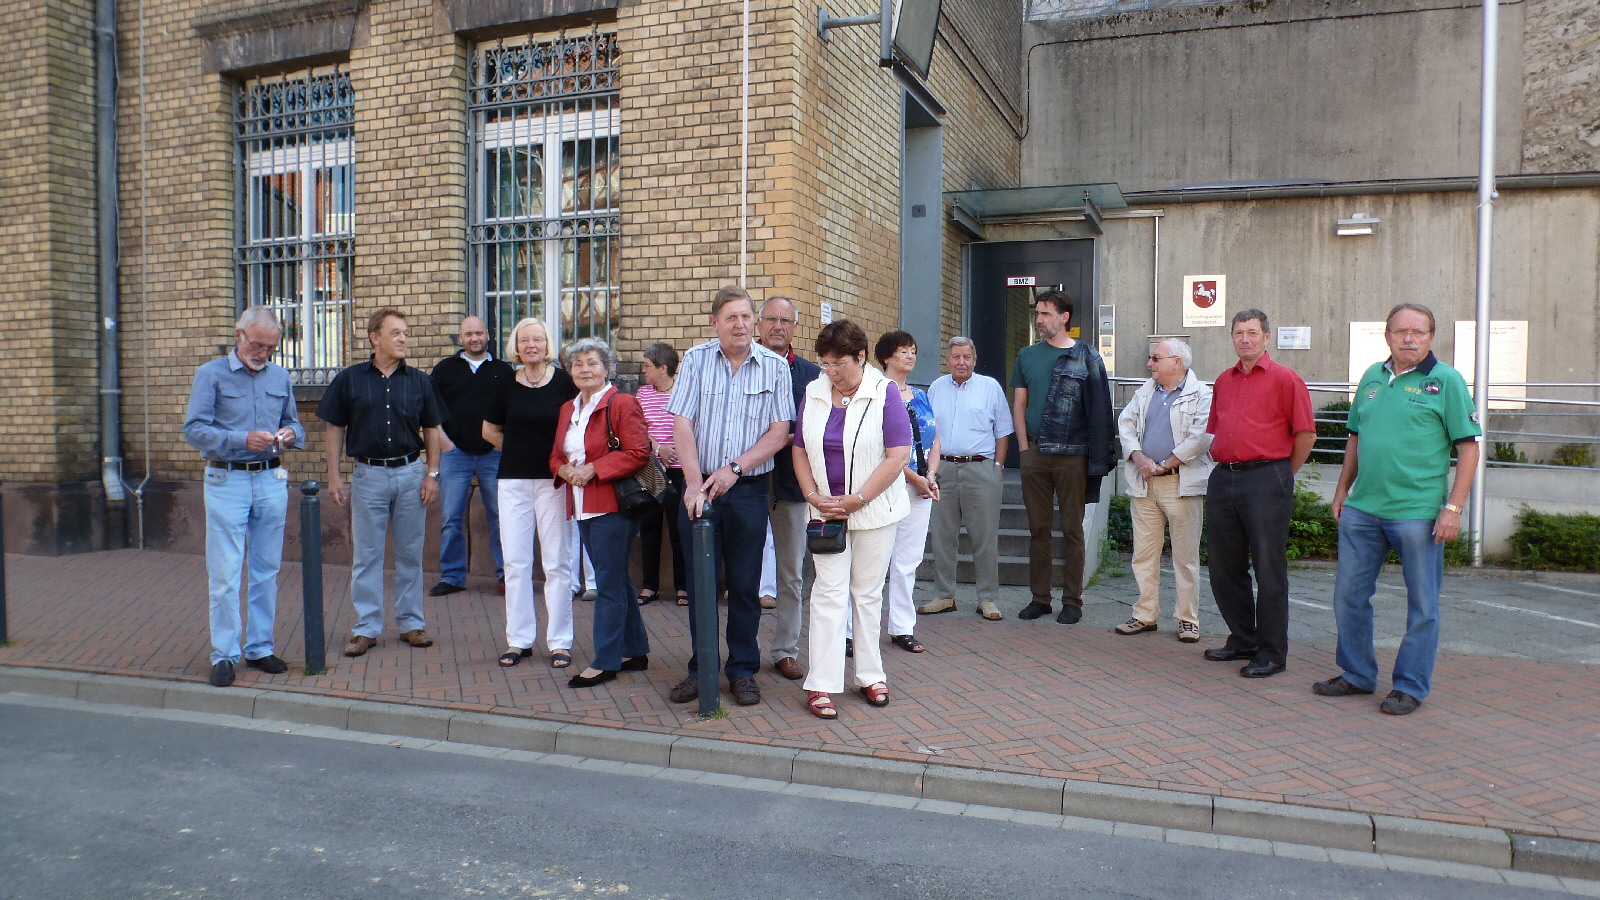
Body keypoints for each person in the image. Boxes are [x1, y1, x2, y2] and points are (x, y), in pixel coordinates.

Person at [1313, 304, 1481, 715]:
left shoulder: (1447, 381)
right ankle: (1356, 675)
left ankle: (1409, 686)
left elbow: (1469, 448)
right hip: (1362, 510)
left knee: (1422, 605)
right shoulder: (1372, 377)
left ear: (1431, 337)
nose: (1409, 338)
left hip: (1417, 513)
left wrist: (1454, 508)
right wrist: (1341, 491)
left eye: (1418, 331)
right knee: (1348, 597)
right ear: (1387, 335)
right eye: (1401, 331)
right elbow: (1355, 437)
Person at [666, 285, 795, 707]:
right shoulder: (696, 360)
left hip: (748, 491)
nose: (739, 324)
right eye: (730, 318)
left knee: (744, 585)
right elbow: (681, 425)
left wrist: (734, 469)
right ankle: (701, 668)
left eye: (745, 317)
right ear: (715, 322)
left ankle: (742, 671)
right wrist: (691, 484)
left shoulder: (775, 366)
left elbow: (780, 433)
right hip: (698, 487)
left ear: (753, 321)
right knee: (701, 584)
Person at [792, 320, 911, 718]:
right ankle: (821, 684)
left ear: (861, 357)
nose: (830, 372)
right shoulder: (813, 391)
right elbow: (799, 450)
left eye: (838, 363)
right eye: (824, 363)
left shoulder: (885, 393)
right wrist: (813, 495)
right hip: (826, 511)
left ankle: (869, 675)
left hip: (874, 511)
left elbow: (898, 455)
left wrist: (859, 499)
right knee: (827, 593)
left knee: (866, 593)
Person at [182, 306, 304, 687]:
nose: (263, 353)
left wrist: (288, 435)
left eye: (271, 347)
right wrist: (239, 439)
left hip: (270, 480)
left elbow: (295, 423)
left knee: (267, 570)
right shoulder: (210, 374)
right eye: (257, 344)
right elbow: (193, 430)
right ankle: (224, 654)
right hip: (227, 480)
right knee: (225, 573)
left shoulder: (281, 376)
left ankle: (260, 648)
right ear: (239, 336)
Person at [318, 308, 447, 658]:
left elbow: (432, 429)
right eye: (396, 333)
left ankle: (410, 624)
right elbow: (334, 427)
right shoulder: (350, 379)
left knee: (409, 554)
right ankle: (366, 628)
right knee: (367, 555)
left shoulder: (420, 381)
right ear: (375, 338)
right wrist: (333, 475)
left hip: (410, 474)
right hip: (368, 475)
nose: (403, 338)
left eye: (405, 332)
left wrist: (432, 474)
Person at [1204, 309, 1316, 678]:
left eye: (1252, 333)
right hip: (1224, 478)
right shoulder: (1223, 380)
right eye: (1239, 333)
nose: (1245, 339)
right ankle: (1243, 638)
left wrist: (1282, 473)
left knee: (1269, 568)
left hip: (1267, 477)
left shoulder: (1286, 379)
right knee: (1224, 567)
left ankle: (1271, 651)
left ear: (1267, 336)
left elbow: (1306, 435)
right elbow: (1216, 430)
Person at [552, 339, 653, 689]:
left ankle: (605, 660)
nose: (584, 369)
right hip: (580, 505)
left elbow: (639, 452)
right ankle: (636, 650)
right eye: (577, 364)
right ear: (569, 371)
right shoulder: (568, 408)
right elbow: (555, 456)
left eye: (591, 362)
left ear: (606, 367)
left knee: (607, 584)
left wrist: (594, 468)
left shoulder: (621, 402)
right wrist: (564, 471)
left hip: (613, 505)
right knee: (617, 579)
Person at [1009, 289, 1114, 625]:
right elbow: (1020, 404)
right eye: (1037, 314)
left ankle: (1073, 601)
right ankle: (1040, 598)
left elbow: (1100, 412)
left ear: (1064, 317)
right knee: (1038, 529)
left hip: (1073, 455)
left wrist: (1099, 457)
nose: (1039, 320)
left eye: (1046, 314)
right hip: (1036, 453)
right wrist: (1024, 449)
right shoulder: (1026, 355)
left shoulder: (1088, 357)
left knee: (1072, 530)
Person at [482, 318, 579, 668]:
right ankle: (519, 640)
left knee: (557, 562)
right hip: (513, 482)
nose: (532, 345)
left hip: (554, 482)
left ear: (547, 344)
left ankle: (560, 642)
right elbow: (488, 430)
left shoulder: (565, 383)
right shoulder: (504, 384)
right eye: (525, 340)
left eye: (538, 339)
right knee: (516, 562)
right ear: (516, 346)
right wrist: (516, 447)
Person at [1115, 338, 1213, 642]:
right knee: (1143, 554)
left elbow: (1202, 437)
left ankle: (1187, 619)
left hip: (1180, 484)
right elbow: (1126, 423)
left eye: (1155, 358)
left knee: (1185, 557)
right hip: (1145, 483)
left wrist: (1167, 463)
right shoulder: (1146, 391)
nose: (1149, 363)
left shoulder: (1202, 395)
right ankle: (1144, 614)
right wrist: (1140, 457)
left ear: (1177, 362)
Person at [920, 337, 1013, 621]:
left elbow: (1003, 431)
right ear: (947, 359)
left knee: (984, 537)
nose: (961, 362)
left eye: (967, 357)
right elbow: (929, 429)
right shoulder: (936, 388)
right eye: (956, 357)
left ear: (974, 359)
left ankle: (987, 599)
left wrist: (997, 466)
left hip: (980, 470)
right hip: (943, 469)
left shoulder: (990, 388)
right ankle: (944, 596)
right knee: (942, 536)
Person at [758, 295, 820, 681]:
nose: (778, 326)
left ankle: (785, 649)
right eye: (771, 319)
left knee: (791, 574)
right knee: (743, 573)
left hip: (791, 487)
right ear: (759, 324)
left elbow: (818, 427)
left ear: (795, 327)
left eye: (786, 320)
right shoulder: (743, 366)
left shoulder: (812, 375)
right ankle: (741, 650)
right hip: (745, 482)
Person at [430, 316, 514, 597]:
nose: (474, 338)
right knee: (451, 517)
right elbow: (430, 409)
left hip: (493, 454)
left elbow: (514, 410)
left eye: (478, 333)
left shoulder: (503, 371)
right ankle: (452, 576)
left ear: (488, 335)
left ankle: (507, 575)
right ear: (460, 338)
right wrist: (443, 442)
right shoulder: (444, 369)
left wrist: (504, 443)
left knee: (501, 515)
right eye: (468, 334)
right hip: (455, 454)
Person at [876, 330, 939, 653]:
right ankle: (852, 630)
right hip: (888, 486)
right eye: (904, 351)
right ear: (886, 356)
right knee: (872, 560)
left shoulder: (921, 395)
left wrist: (930, 474)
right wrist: (914, 477)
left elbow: (935, 437)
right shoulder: (876, 393)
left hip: (921, 486)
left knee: (908, 560)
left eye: (913, 350)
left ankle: (902, 626)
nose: (911, 356)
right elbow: (882, 447)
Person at [635, 341, 688, 607]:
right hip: (650, 471)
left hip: (680, 472)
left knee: (680, 530)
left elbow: (693, 427)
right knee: (649, 529)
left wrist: (676, 450)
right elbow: (635, 428)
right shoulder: (643, 394)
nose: (643, 371)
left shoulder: (683, 393)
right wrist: (658, 448)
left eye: (647, 366)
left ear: (663, 368)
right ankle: (649, 586)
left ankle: (683, 586)